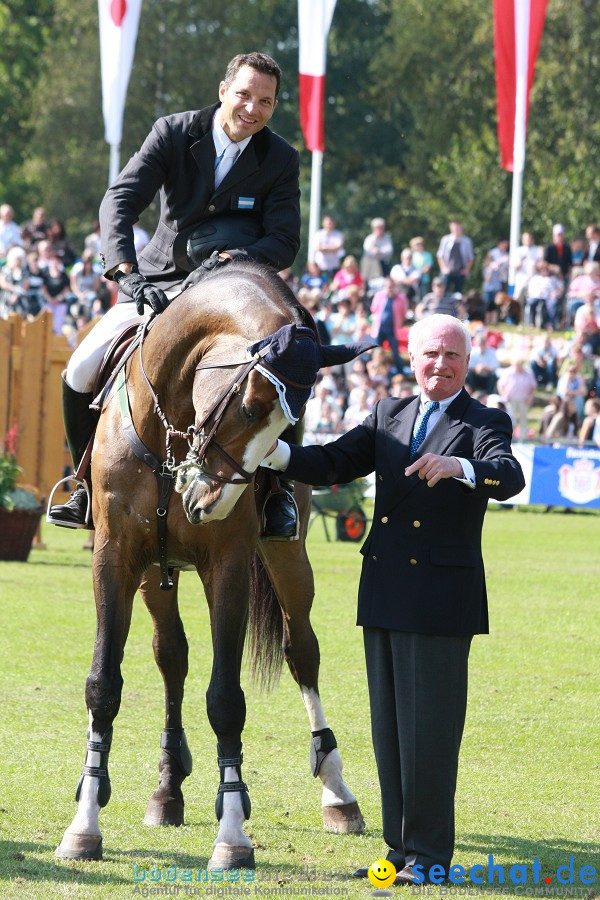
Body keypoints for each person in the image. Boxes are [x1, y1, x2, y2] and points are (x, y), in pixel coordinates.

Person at [261, 313, 525, 886]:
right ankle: (400, 854)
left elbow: (509, 476)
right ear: (413, 358)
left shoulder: (484, 420)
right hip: (383, 592)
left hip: (438, 601)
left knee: (428, 734)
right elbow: (333, 461)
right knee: (390, 734)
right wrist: (275, 455)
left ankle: (431, 859)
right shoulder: (388, 414)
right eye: (432, 353)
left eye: (453, 356)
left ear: (467, 363)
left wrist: (460, 466)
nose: (441, 364)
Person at [48, 51, 301, 535]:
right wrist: (125, 270)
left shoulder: (282, 158)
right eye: (244, 95)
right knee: (81, 366)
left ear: (274, 107)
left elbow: (285, 239)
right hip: (159, 283)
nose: (252, 108)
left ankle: (276, 496)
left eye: (265, 102)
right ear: (223, 90)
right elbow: (121, 200)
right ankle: (83, 486)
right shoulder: (173, 131)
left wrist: (235, 257)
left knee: (291, 364)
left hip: (232, 294)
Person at [369, 277, 408, 374]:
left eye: (392, 287)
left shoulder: (401, 298)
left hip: (392, 330)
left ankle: (401, 373)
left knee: (396, 353)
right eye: (388, 287)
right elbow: (373, 309)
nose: (390, 289)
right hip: (379, 329)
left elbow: (403, 314)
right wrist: (383, 295)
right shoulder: (379, 296)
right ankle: (372, 372)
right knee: (375, 351)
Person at [497, 359, 537, 440]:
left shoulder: (528, 373)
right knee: (510, 419)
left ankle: (523, 439)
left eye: (520, 364)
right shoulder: (508, 372)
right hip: (510, 399)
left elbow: (533, 386)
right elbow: (500, 385)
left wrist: (530, 396)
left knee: (523, 419)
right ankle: (510, 437)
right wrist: (504, 395)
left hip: (524, 399)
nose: (518, 367)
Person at [436, 219, 474, 294]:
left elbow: (470, 257)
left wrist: (466, 269)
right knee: (444, 291)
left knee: (458, 293)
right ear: (451, 228)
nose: (456, 229)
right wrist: (443, 268)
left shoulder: (467, 241)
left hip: (460, 271)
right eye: (454, 227)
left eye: (458, 227)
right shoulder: (445, 240)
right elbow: (440, 255)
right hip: (448, 271)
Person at [360, 217, 394, 286]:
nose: (380, 229)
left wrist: (377, 251)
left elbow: (389, 251)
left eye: (381, 227)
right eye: (378, 227)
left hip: (384, 265)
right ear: (373, 228)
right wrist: (379, 252)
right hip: (370, 266)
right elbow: (368, 251)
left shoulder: (387, 238)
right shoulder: (369, 239)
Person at [313, 215, 345, 281]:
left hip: (334, 265)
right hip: (321, 265)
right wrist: (332, 248)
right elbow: (318, 248)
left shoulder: (339, 234)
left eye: (330, 223)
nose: (329, 225)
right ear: (323, 223)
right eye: (327, 223)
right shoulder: (318, 234)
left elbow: (338, 247)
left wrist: (325, 248)